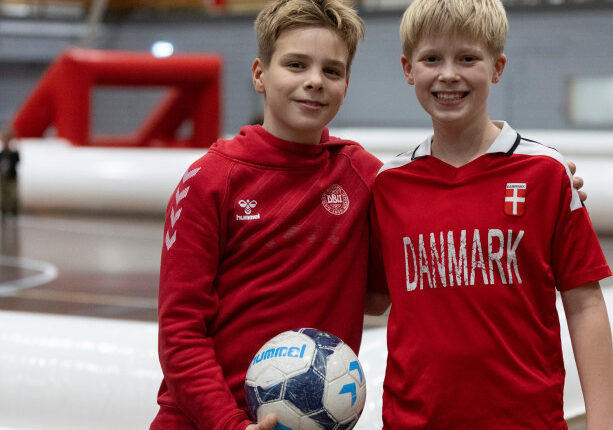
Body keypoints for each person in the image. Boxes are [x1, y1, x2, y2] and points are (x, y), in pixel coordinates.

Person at [151, 1, 589, 429]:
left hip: (313, 419)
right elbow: (180, 330)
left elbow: (390, 279)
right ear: (260, 74)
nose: (315, 82)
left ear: (346, 83)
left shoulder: (363, 175)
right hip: (203, 421)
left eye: (332, 71)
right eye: (296, 65)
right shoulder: (211, 179)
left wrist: (552, 180)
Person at [366, 0, 613, 428]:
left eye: (467, 58)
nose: (448, 74)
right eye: (431, 59)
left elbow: (585, 303)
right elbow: (373, 298)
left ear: (498, 67)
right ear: (408, 69)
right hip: (414, 420)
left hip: (524, 419)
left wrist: (603, 422)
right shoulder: (389, 183)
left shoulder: (544, 172)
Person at [0, 127, 21, 223]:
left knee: (13, 195)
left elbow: (17, 161)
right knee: (3, 196)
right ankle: (4, 212)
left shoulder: (14, 153)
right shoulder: (2, 154)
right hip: (3, 179)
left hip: (11, 177)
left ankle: (13, 213)